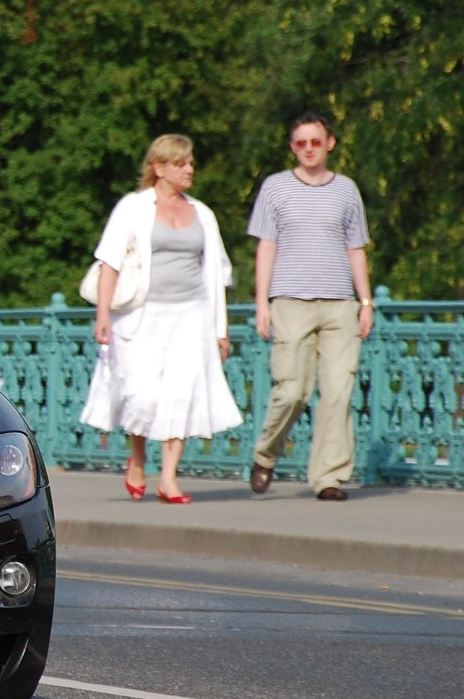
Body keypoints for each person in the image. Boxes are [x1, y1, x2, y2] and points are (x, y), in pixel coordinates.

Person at [80, 134, 243, 503]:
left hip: (191, 315)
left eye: (190, 163)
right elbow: (110, 261)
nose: (190, 169)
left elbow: (215, 275)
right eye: (181, 163)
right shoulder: (133, 207)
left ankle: (169, 478)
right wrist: (102, 314)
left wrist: (221, 329)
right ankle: (137, 458)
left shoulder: (202, 213)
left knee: (181, 394)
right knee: (140, 394)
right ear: (159, 167)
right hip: (142, 315)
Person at [248, 113, 374, 501]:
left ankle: (329, 477)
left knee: (338, 391)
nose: (308, 150)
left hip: (339, 303)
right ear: (292, 147)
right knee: (292, 390)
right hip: (290, 301)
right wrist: (262, 303)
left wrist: (365, 302)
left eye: (315, 142)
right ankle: (266, 454)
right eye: (300, 143)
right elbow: (266, 246)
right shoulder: (276, 188)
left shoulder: (346, 190)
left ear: (329, 144)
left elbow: (356, 248)